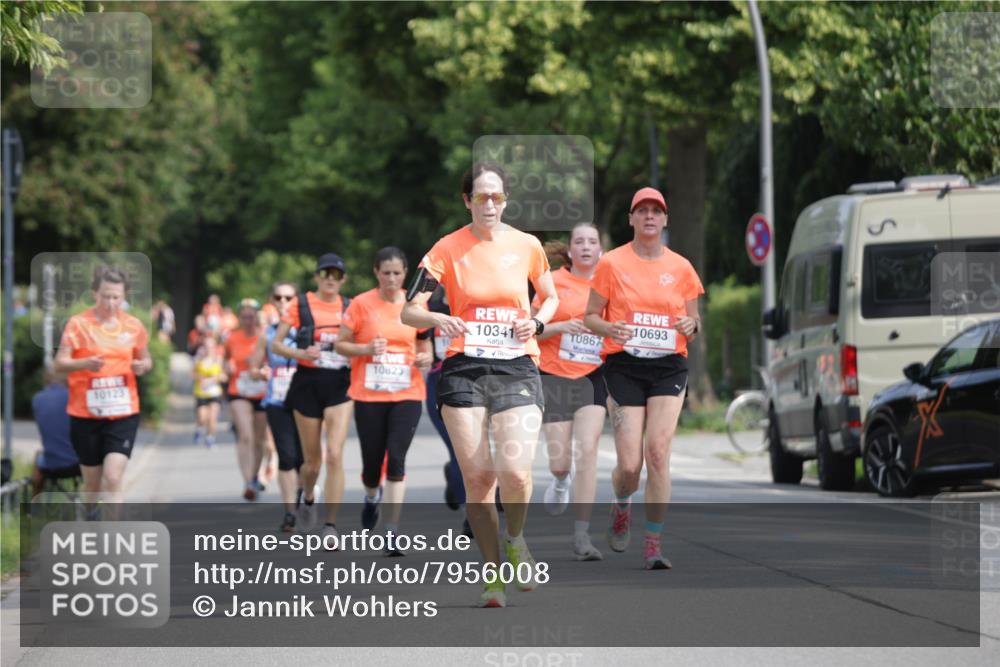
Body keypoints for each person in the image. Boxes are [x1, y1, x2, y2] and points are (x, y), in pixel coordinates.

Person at [402, 161, 558, 608]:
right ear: (466, 200)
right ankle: (492, 574)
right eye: (481, 197)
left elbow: (549, 295)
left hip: (516, 366)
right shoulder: (446, 249)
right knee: (479, 478)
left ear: (505, 200)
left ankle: (516, 538)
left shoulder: (527, 245)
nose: (490, 204)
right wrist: (438, 317)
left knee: (516, 472)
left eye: (497, 197)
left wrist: (538, 321)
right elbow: (409, 310)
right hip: (464, 367)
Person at [584, 186, 704, 570]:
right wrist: (610, 328)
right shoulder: (612, 264)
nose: (650, 216)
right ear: (631, 219)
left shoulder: (682, 267)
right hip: (625, 366)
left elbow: (694, 322)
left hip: (669, 365)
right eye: (642, 210)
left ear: (665, 219)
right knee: (630, 465)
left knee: (658, 453)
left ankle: (653, 543)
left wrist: (691, 324)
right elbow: (590, 317)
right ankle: (622, 504)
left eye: (657, 210)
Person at [336, 247, 432, 556]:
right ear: (376, 273)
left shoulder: (415, 304)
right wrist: (365, 350)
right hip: (369, 394)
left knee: (397, 459)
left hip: (407, 393)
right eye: (386, 272)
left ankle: (391, 531)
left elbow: (425, 346)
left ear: (405, 274)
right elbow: (340, 345)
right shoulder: (362, 304)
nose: (391, 278)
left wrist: (424, 359)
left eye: (397, 273)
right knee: (372, 464)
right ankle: (370, 496)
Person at [533, 223, 607, 561]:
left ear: (601, 250)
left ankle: (582, 535)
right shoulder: (555, 283)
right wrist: (562, 326)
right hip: (555, 375)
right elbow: (532, 331)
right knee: (561, 462)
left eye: (593, 241)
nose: (587, 247)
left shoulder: (610, 285)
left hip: (594, 376)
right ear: (571, 250)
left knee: (588, 449)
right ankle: (561, 481)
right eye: (580, 241)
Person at [53, 267, 152, 507]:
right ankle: (89, 519)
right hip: (85, 414)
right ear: (94, 293)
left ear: (124, 296)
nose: (110, 302)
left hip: (123, 412)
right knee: (92, 485)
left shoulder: (133, 325)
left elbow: (146, 359)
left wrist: (142, 366)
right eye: (105, 295)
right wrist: (84, 363)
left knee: (113, 476)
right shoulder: (78, 325)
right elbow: (59, 364)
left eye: (116, 297)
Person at [271, 253, 353, 543]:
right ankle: (307, 495)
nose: (330, 280)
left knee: (334, 454)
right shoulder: (300, 304)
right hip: (307, 383)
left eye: (336, 275)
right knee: (311, 463)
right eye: (325, 274)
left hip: (340, 384)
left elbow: (360, 342)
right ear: (317, 277)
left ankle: (330, 525)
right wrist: (300, 353)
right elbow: (277, 344)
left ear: (343, 279)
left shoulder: (350, 307)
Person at [251, 282, 304, 533]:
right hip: (277, 400)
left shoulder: (305, 331)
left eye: (288, 297)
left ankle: (304, 492)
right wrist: (259, 372)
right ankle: (290, 512)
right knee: (287, 456)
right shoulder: (268, 334)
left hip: (307, 399)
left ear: (296, 300)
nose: (283, 302)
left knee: (306, 459)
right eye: (278, 297)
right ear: (272, 300)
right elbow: (252, 368)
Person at [423, 286, 472, 536]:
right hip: (438, 381)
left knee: (477, 446)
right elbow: (415, 339)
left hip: (472, 379)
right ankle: (468, 512)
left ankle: (462, 490)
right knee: (457, 446)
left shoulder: (475, 304)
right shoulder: (429, 308)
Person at [224, 299, 269, 501]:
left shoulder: (265, 337)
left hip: (261, 391)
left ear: (257, 317)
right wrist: (227, 367)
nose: (248, 321)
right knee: (245, 435)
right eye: (244, 317)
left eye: (252, 317)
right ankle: (248, 481)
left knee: (260, 440)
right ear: (239, 318)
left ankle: (254, 474)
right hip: (239, 390)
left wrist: (263, 370)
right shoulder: (232, 338)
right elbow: (225, 359)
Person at [30, 369, 79, 498]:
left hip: (51, 464)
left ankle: (33, 508)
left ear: (45, 379)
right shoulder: (75, 396)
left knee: (39, 456)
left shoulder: (37, 399)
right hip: (78, 464)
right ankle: (95, 507)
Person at [192, 334, 226, 448]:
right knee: (202, 417)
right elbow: (192, 374)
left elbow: (224, 376)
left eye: (210, 346)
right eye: (206, 346)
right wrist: (200, 378)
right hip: (201, 392)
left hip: (214, 392)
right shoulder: (199, 359)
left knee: (212, 417)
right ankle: (200, 429)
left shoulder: (218, 359)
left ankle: (210, 438)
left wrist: (213, 379)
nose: (208, 348)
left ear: (214, 347)